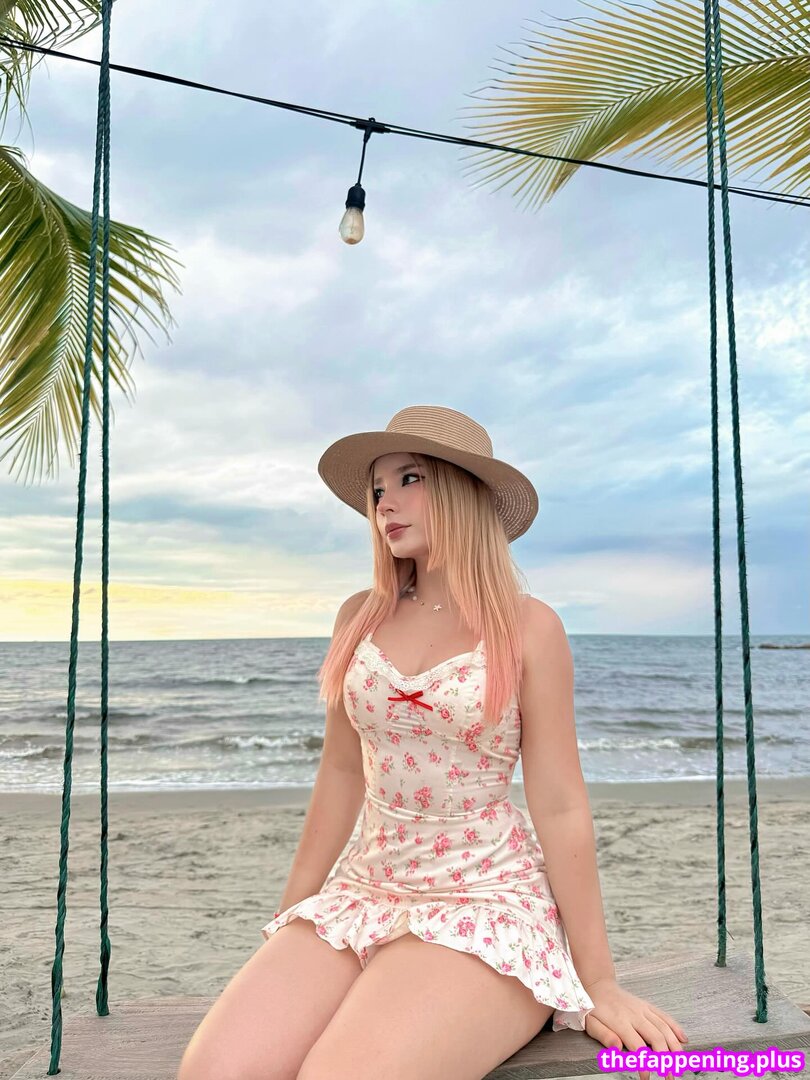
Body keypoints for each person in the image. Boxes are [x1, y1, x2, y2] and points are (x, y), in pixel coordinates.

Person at [177, 405, 688, 1080]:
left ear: (462, 491)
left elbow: (560, 803)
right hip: (364, 889)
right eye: (377, 489)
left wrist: (599, 981)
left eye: (409, 479)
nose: (384, 503)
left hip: (484, 899)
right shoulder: (359, 616)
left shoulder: (528, 627)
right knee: (213, 1072)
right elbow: (341, 774)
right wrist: (290, 915)